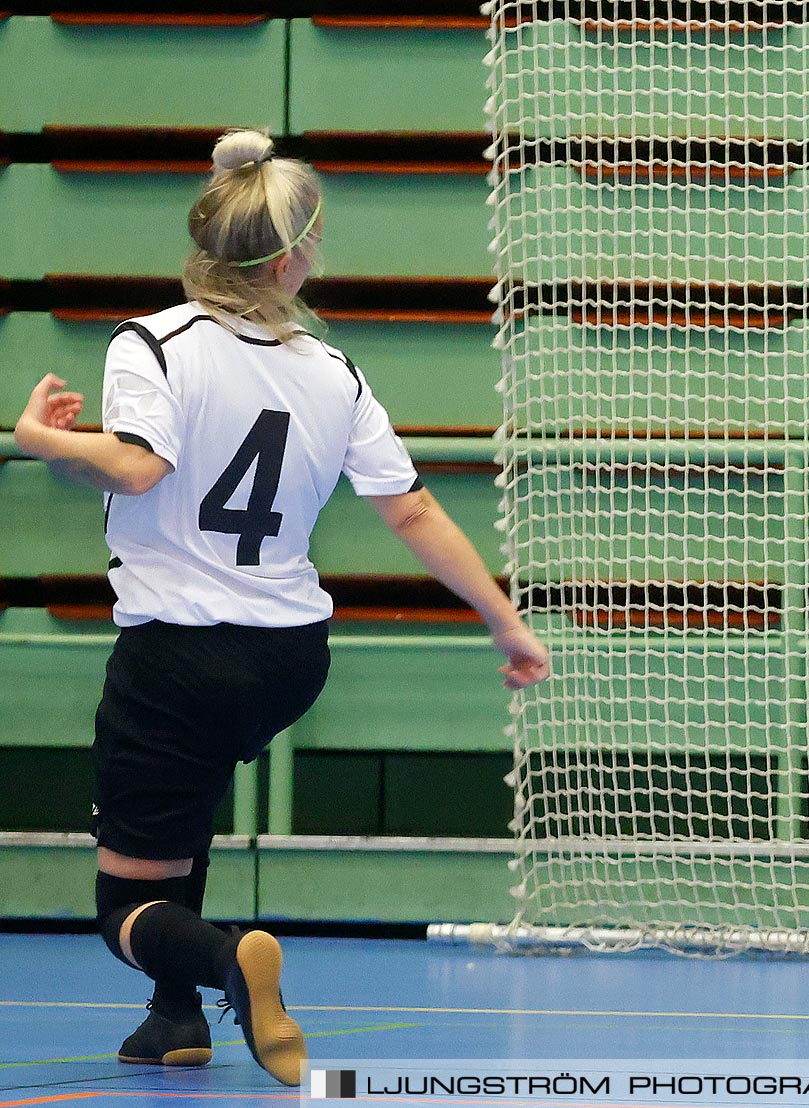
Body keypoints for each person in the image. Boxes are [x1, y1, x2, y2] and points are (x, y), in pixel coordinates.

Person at [10, 129, 551, 1087]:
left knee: (121, 910)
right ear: (297, 254)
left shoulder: (154, 342)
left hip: (179, 654)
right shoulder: (331, 371)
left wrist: (45, 443)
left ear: (204, 237)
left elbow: (140, 466)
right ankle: (174, 1020)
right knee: (187, 818)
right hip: (290, 659)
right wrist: (504, 621)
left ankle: (226, 963)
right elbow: (414, 510)